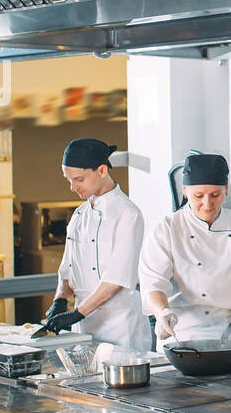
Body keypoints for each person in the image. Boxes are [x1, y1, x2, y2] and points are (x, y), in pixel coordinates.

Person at [139, 152, 231, 343]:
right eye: (198, 196)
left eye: (215, 195)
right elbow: (153, 282)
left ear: (226, 189)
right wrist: (162, 312)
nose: (207, 204)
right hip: (183, 334)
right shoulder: (167, 229)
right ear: (185, 191)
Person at [45, 138, 152, 351]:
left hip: (120, 327)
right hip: (84, 328)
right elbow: (67, 270)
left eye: (79, 179)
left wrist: (76, 314)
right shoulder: (79, 215)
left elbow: (115, 280)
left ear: (102, 170)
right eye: (69, 180)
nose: (73, 187)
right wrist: (60, 300)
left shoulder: (128, 214)